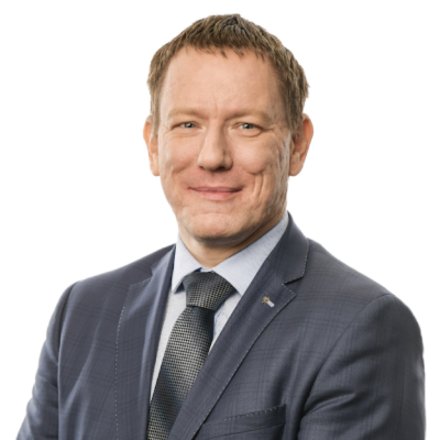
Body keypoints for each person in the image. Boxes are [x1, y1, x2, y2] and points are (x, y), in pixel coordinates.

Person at [16, 13, 426, 440]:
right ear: (153, 144)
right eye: (188, 124)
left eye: (246, 125)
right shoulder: (84, 310)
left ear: (298, 145)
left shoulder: (363, 325)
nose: (212, 156)